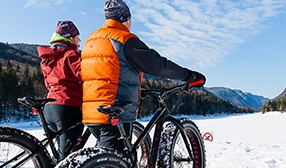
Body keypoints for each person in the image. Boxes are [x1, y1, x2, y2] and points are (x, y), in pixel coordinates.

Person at [81, 0, 206, 152]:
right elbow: (157, 65)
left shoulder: (92, 40)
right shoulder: (124, 39)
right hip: (116, 111)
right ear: (126, 19)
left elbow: (107, 73)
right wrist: (188, 75)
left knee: (106, 161)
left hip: (91, 112)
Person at [37, 20, 83, 159]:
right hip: (67, 107)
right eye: (77, 37)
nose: (80, 40)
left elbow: (48, 84)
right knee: (67, 160)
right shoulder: (71, 55)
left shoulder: (47, 59)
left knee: (59, 157)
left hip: (49, 108)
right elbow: (86, 76)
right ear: (70, 38)